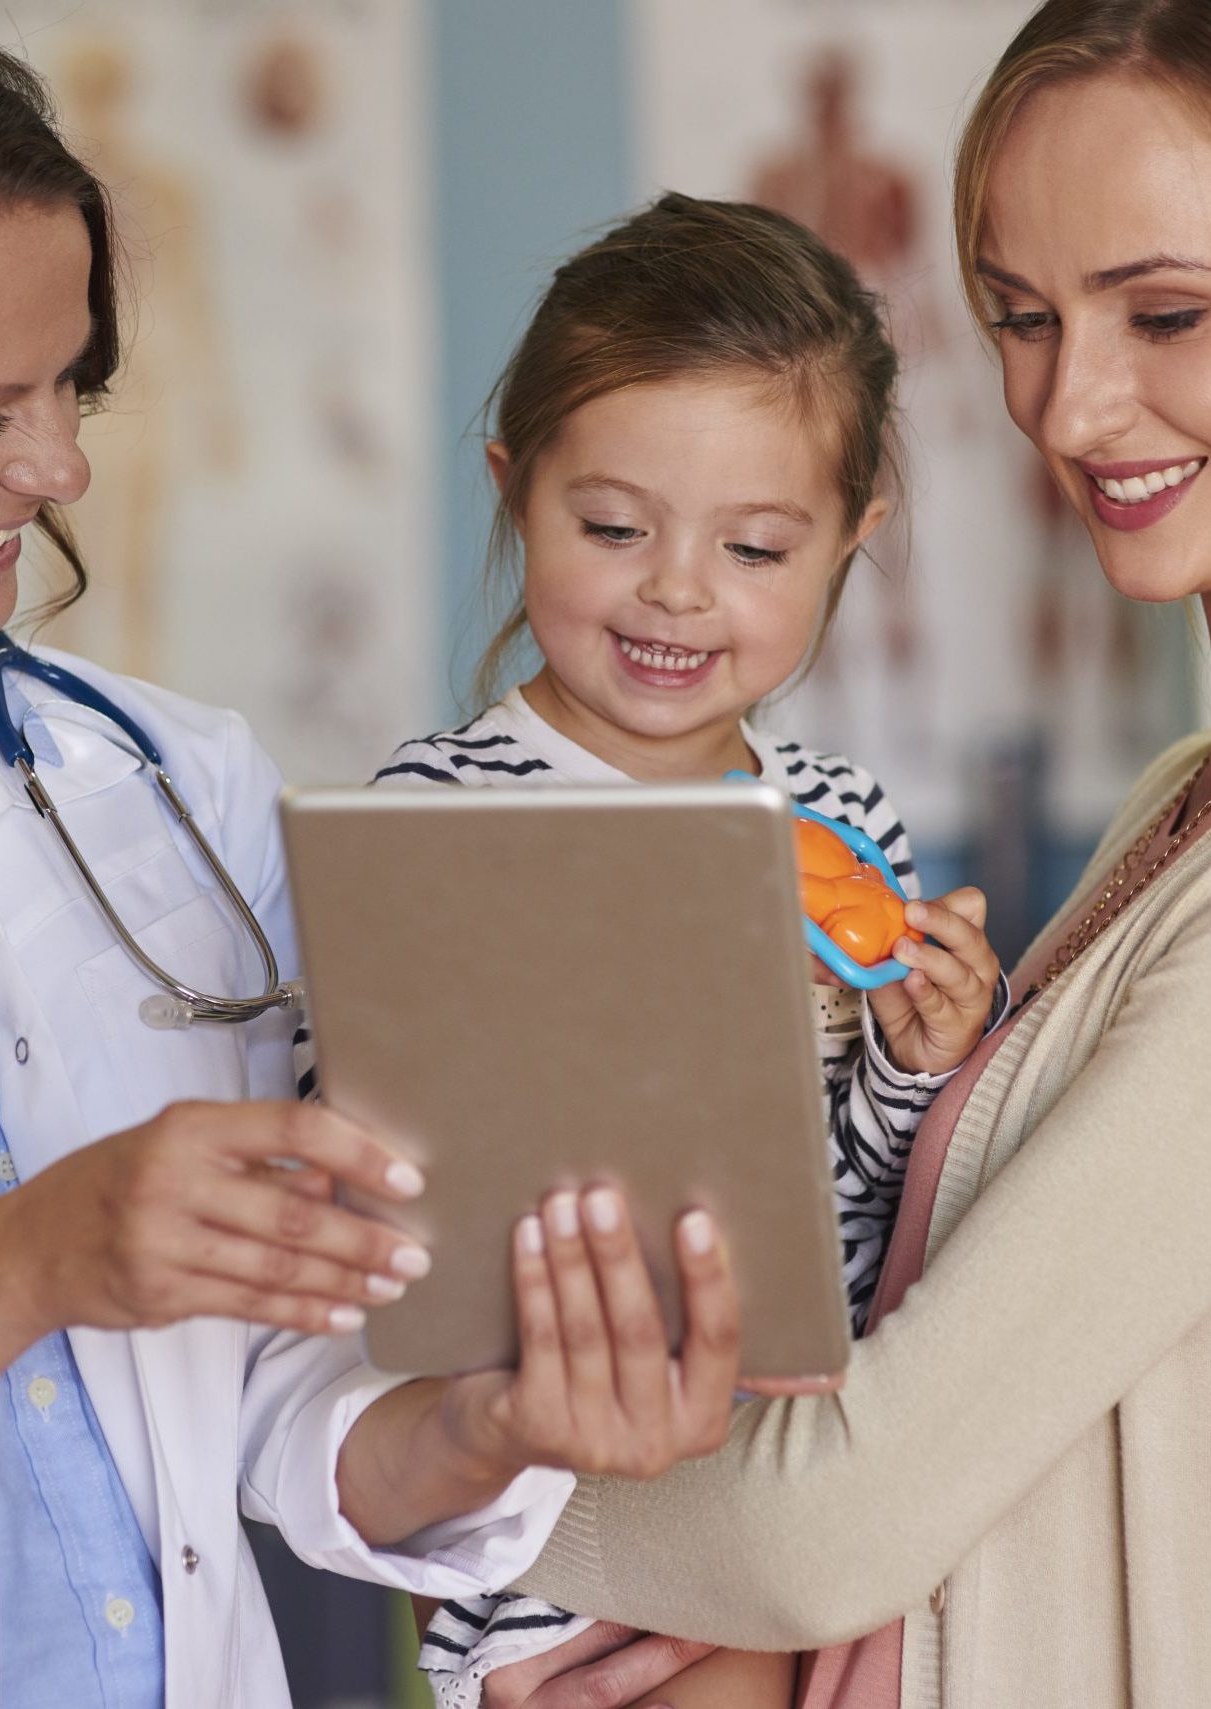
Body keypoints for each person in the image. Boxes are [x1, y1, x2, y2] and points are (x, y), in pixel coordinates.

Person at [0, 5, 753, 1704]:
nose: (61, 466)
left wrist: (484, 1423)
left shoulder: (170, 782)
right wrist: (32, 1255)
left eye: (70, 386)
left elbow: (272, 1404)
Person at [475, 2, 1211, 1705]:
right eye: (1019, 318)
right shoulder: (1176, 796)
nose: (1067, 406)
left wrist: (408, 1463)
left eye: (1165, 313)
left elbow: (835, 1522)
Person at [372, 194, 1004, 1709]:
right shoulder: (438, 813)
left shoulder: (844, 825)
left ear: (848, 537)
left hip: (802, 1491)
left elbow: (856, 1215)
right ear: (512, 493)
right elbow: (387, 1191)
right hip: (555, 1517)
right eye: (610, 527)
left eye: (754, 545)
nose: (673, 588)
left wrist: (917, 1065)